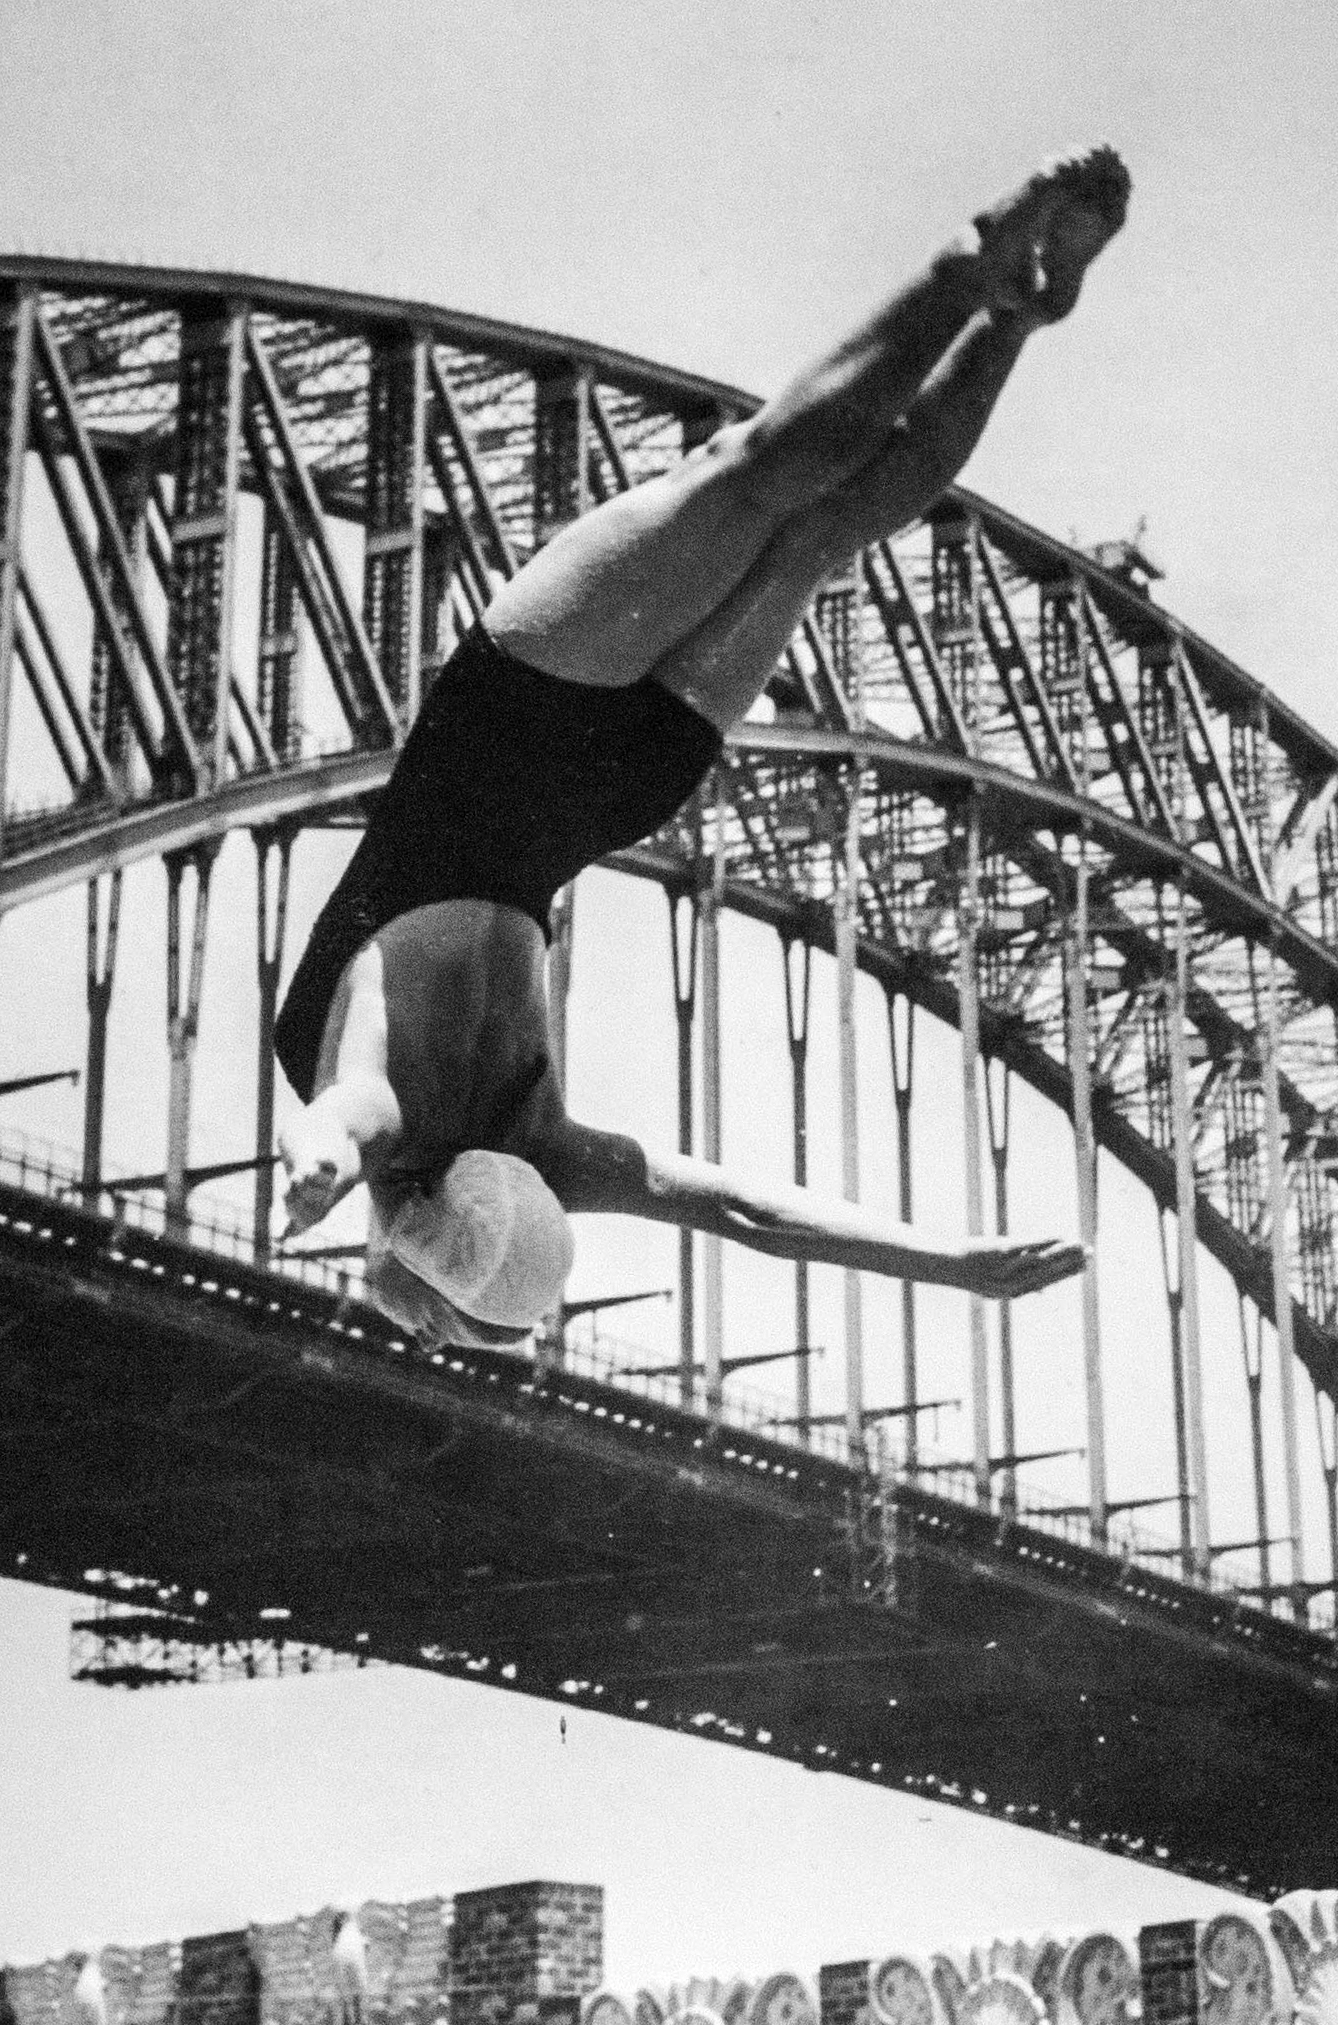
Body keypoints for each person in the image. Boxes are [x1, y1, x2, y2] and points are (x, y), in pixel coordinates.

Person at [274, 151, 1132, 1347]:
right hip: (512, 724)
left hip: (617, 785)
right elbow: (340, 1118)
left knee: (825, 530)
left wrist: (944, 1263)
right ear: (397, 1248)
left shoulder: (541, 1154)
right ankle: (972, 269)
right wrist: (311, 1167)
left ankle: (1018, 315)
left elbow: (744, 1213)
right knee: (753, 476)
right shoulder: (390, 1128)